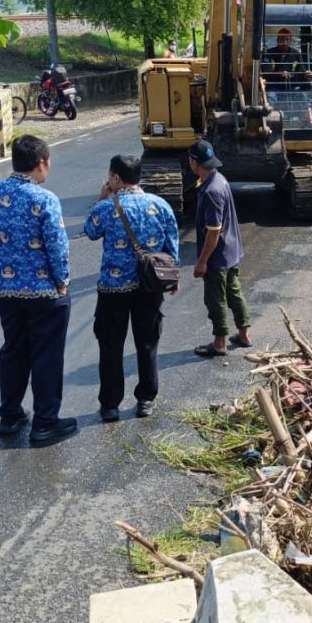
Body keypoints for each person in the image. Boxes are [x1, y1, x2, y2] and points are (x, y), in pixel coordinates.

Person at [0, 135, 77, 445]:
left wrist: (6, 251)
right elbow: (57, 248)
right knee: (47, 355)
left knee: (13, 351)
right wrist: (62, 281)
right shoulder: (44, 200)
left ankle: (10, 416)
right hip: (44, 293)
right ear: (41, 163)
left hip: (6, 291)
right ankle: (45, 422)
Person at [84, 154, 179, 421]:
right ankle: (146, 399)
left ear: (115, 178)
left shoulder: (105, 208)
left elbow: (90, 231)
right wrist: (174, 278)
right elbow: (171, 245)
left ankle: (111, 405)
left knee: (111, 346)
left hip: (113, 289)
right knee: (147, 343)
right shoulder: (160, 205)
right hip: (150, 286)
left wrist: (102, 197)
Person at [188, 140, 251, 358]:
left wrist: (202, 261)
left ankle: (220, 342)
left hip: (218, 256)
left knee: (216, 298)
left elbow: (213, 231)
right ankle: (243, 335)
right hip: (232, 252)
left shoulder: (210, 191)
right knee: (235, 294)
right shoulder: (219, 179)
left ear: (194, 162)